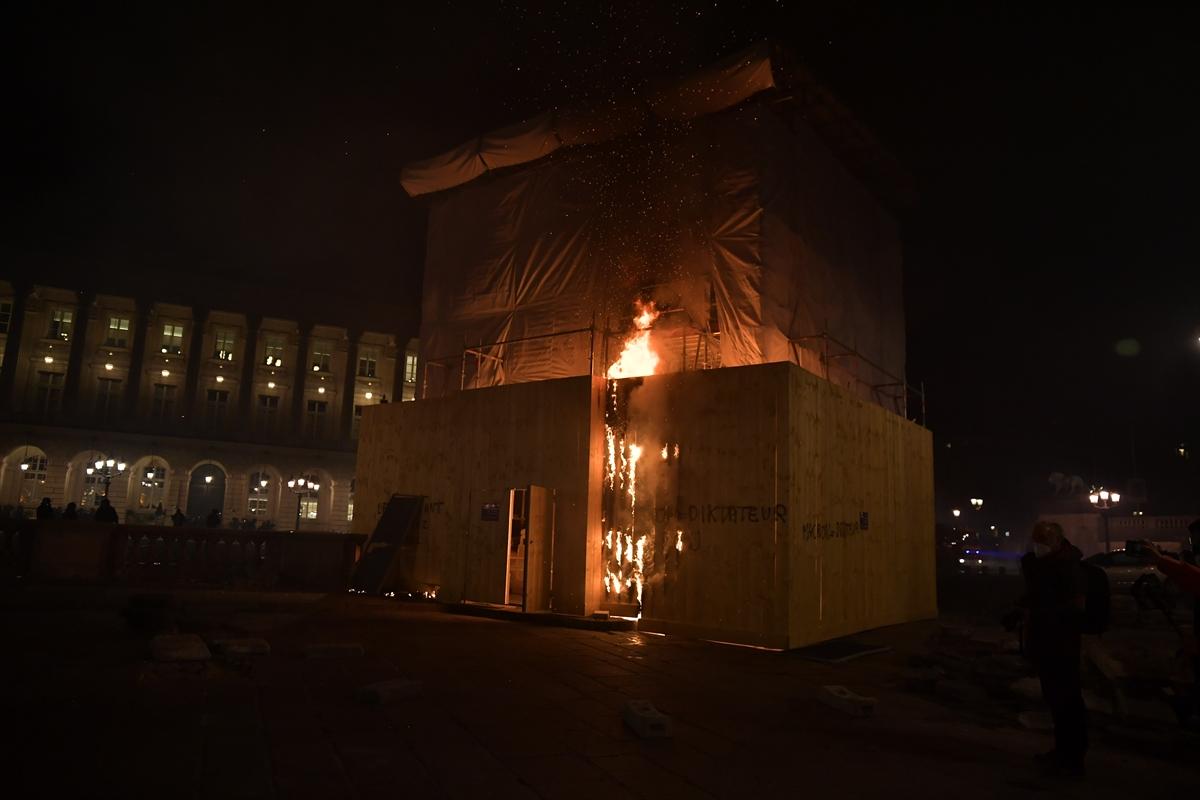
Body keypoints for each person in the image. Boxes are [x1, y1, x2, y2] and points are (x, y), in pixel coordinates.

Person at [1022, 520, 1088, 777]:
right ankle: (1063, 752)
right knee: (1057, 701)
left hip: (1062, 644)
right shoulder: (1045, 564)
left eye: (1043, 541)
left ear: (1057, 541)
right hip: (1048, 642)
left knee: (1067, 701)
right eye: (1036, 540)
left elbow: (1074, 606)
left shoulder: (1069, 567)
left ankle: (1072, 758)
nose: (1038, 546)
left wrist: (1043, 612)